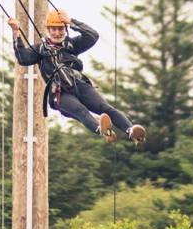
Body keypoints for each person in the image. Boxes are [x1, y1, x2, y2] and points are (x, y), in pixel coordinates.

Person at [8, 9, 146, 146]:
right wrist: (16, 33)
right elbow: (23, 58)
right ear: (48, 30)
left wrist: (71, 21)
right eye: (53, 29)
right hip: (60, 93)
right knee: (80, 110)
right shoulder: (39, 49)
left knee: (105, 107)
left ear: (66, 29)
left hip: (79, 85)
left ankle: (131, 130)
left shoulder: (72, 45)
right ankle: (102, 130)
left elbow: (92, 36)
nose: (57, 33)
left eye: (61, 29)